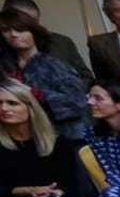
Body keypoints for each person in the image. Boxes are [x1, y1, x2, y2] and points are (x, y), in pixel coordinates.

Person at [0, 80, 79, 197]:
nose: (4, 108)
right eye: (0, 103)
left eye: (12, 103)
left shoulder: (58, 143)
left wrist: (53, 193)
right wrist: (28, 190)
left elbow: (70, 182)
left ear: (30, 108)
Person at [0, 8, 88, 141]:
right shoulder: (7, 67)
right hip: (25, 136)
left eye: (21, 29)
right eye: (6, 30)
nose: (14, 34)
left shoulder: (52, 64)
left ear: (33, 32)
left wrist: (39, 96)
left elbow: (78, 102)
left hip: (64, 135)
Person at [2, 0, 90, 79]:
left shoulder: (61, 43)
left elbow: (86, 77)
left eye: (34, 22)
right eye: (21, 23)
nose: (32, 27)